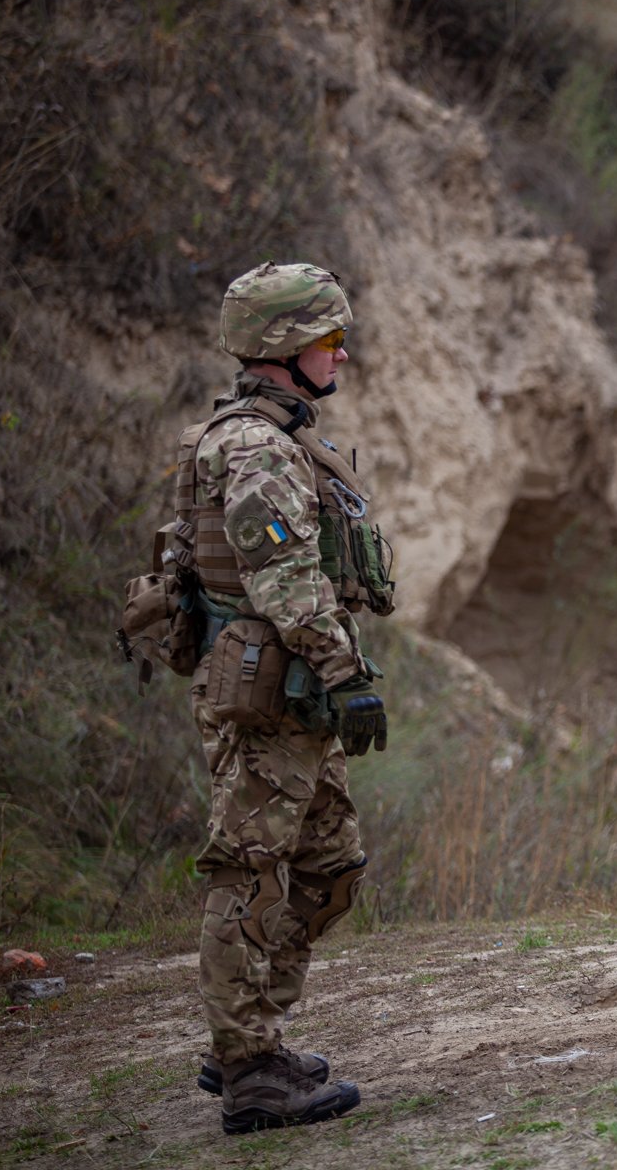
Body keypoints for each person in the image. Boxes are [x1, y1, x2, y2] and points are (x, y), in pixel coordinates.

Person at [180, 262, 396, 1133]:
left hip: (292, 687)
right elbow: (284, 576)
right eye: (329, 342)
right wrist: (346, 676)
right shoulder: (258, 448)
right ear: (284, 350)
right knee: (250, 871)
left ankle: (252, 1034)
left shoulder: (279, 436)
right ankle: (251, 1071)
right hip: (274, 688)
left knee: (329, 866)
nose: (342, 356)